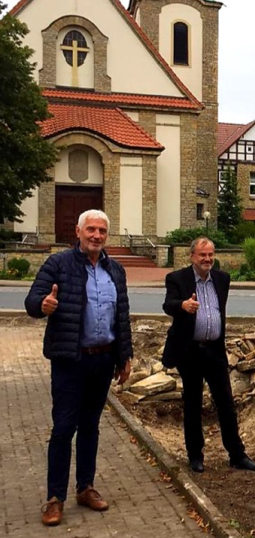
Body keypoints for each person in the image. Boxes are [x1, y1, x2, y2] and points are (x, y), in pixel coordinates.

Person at [24, 210, 133, 527]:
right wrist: (43, 306)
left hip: (103, 361)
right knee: (62, 429)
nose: (96, 235)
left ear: (106, 236)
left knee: (91, 427)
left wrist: (124, 356)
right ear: (78, 232)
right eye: (91, 230)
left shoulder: (116, 270)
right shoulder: (58, 264)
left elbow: (122, 316)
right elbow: (32, 301)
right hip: (70, 360)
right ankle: (54, 498)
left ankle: (85, 487)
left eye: (101, 231)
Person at [162, 237, 255, 474]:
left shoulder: (222, 279)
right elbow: (168, 305)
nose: (207, 259)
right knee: (193, 404)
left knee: (226, 404)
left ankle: (237, 455)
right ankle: (195, 455)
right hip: (190, 352)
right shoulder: (177, 278)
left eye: (210, 254)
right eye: (202, 255)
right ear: (192, 256)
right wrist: (182, 306)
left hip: (215, 351)